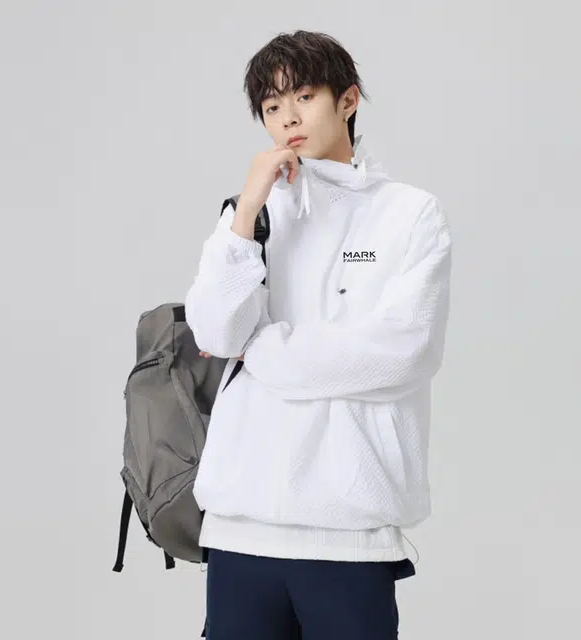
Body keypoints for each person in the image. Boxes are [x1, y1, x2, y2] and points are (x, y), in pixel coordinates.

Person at [185, 29, 452, 640]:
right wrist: (247, 208)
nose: (288, 118)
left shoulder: (409, 214)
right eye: (272, 106)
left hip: (349, 531)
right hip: (240, 527)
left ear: (347, 100)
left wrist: (263, 348)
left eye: (303, 97)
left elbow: (404, 351)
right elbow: (217, 332)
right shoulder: (250, 214)